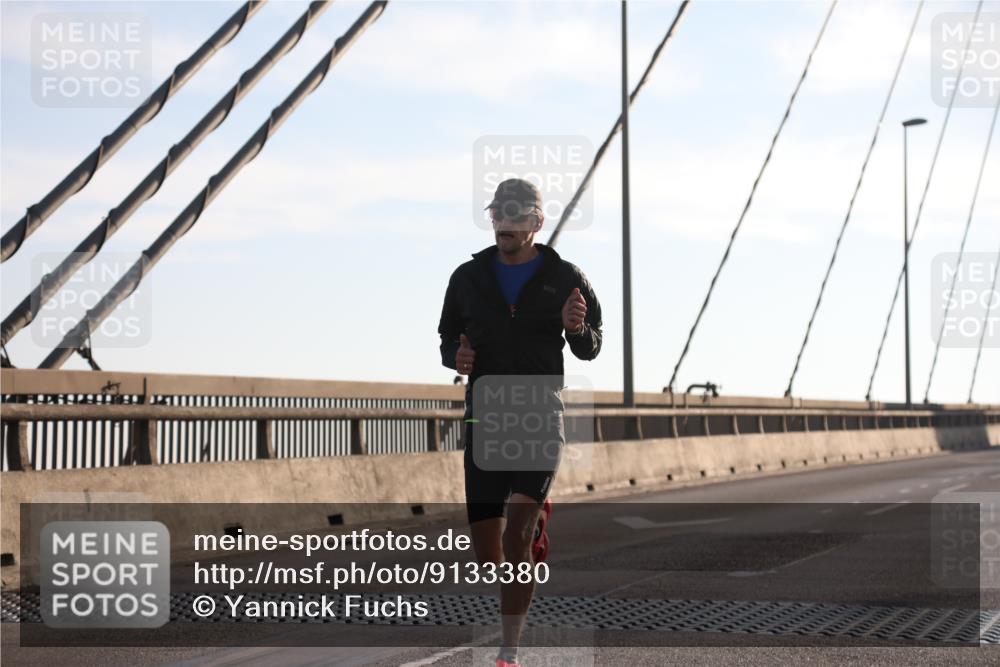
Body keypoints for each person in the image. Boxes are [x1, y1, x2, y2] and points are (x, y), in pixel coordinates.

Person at [437, 178, 603, 667]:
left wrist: (575, 328)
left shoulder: (565, 276)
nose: (503, 223)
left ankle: (509, 652)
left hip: (538, 416)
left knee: (517, 538)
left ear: (536, 222)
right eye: (496, 214)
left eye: (514, 215)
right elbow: (448, 337)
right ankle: (528, 538)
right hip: (486, 416)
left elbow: (591, 343)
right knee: (488, 554)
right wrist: (457, 356)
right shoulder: (467, 278)